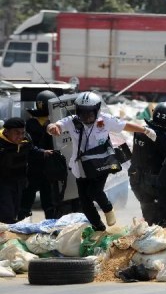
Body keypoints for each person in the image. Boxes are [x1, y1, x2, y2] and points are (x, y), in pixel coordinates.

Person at [47, 91, 156, 231]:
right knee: (85, 203)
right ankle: (99, 228)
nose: (86, 116)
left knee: (95, 191)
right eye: (82, 112)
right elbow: (55, 125)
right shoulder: (72, 121)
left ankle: (108, 209)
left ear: (97, 110)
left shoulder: (105, 120)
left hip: (101, 163)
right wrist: (52, 128)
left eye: (90, 113)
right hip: (80, 167)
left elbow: (124, 125)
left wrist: (145, 130)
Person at [129, 102, 166, 225]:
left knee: (148, 212)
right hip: (153, 182)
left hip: (137, 178)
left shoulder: (141, 131)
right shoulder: (160, 137)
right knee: (160, 219)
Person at [19, 90, 62, 220]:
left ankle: (51, 226)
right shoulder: (30, 124)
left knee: (49, 200)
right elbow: (27, 145)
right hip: (34, 167)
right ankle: (20, 223)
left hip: (48, 169)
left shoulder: (57, 123)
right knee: (28, 198)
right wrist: (42, 152)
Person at [0, 118, 52, 223]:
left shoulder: (26, 139)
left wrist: (44, 152)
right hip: (3, 182)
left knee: (15, 210)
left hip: (19, 181)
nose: (20, 136)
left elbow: (32, 150)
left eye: (22, 132)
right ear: (6, 132)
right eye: (16, 133)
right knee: (6, 212)